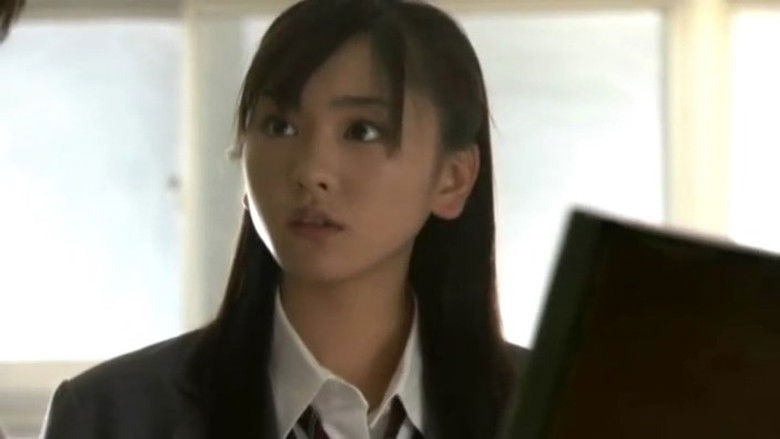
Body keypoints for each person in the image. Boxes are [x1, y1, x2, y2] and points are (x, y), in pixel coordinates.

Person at [40, 0, 530, 437]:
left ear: (452, 178)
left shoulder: (547, 411)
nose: (311, 171)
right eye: (280, 126)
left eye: (361, 131)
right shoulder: (109, 415)